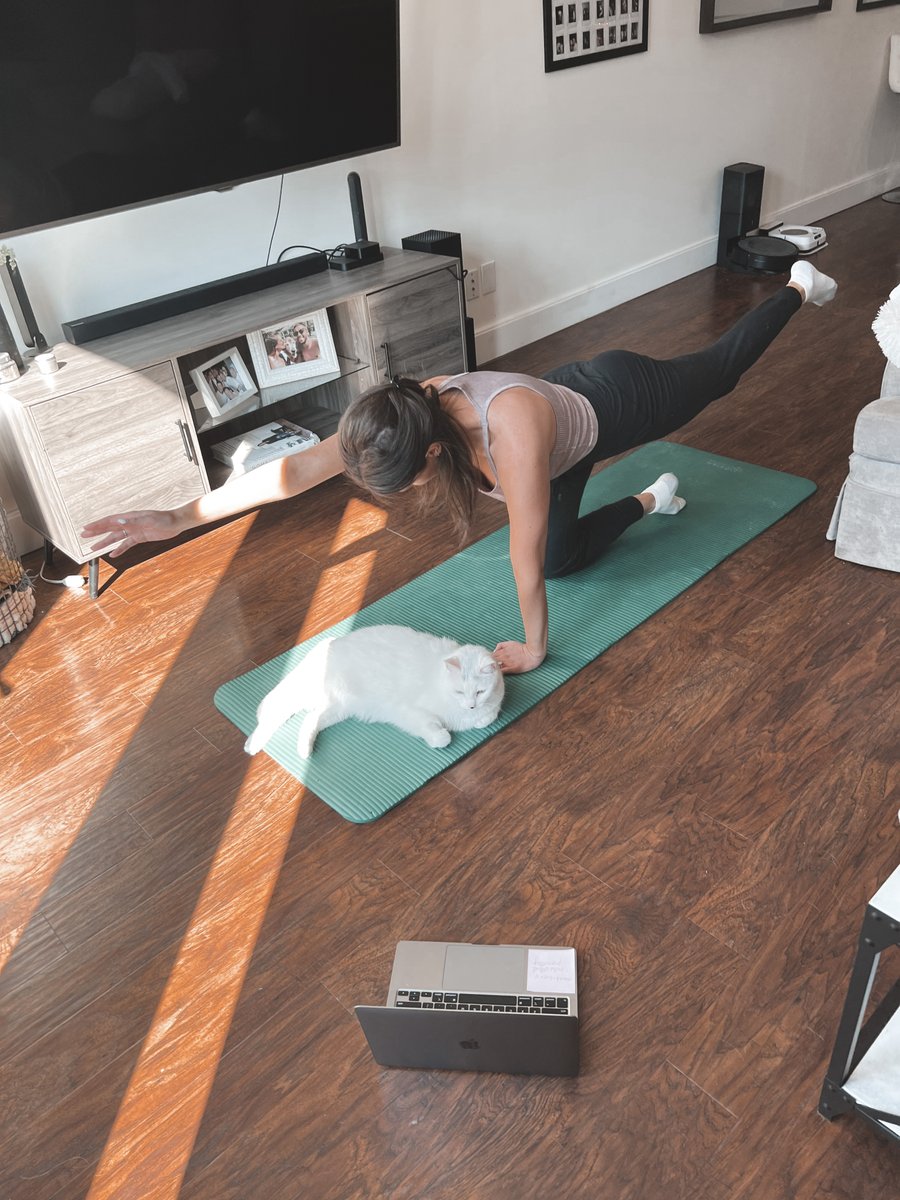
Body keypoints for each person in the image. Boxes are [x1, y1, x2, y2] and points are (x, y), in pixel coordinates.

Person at [81, 260, 837, 675]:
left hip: (618, 399)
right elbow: (292, 472)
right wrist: (178, 518)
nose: (402, 494)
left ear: (435, 455)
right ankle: (649, 499)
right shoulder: (395, 418)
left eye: (405, 483)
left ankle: (800, 285)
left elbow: (520, 558)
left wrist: (537, 647)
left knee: (718, 374)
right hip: (563, 424)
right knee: (567, 559)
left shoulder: (508, 438)